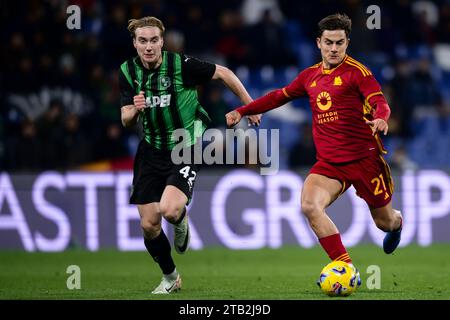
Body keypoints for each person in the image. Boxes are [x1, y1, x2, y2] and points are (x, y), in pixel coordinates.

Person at [226, 13, 402, 276]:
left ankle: (397, 223)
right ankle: (345, 267)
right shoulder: (309, 77)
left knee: (384, 223)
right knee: (309, 205)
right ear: (318, 42)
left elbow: (381, 102)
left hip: (365, 160)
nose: (333, 49)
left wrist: (381, 118)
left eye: (339, 43)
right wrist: (243, 110)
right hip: (330, 164)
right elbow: (278, 96)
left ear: (347, 43)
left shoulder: (358, 73)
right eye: (328, 42)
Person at [119, 16, 260, 294]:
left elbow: (225, 73)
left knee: (169, 211)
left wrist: (250, 106)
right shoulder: (127, 71)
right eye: (143, 41)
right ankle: (171, 277)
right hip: (150, 149)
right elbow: (125, 120)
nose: (149, 47)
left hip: (185, 143)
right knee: (149, 224)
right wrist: (135, 109)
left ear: (162, 41)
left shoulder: (180, 65)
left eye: (154, 40)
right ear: (135, 43)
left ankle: (180, 218)